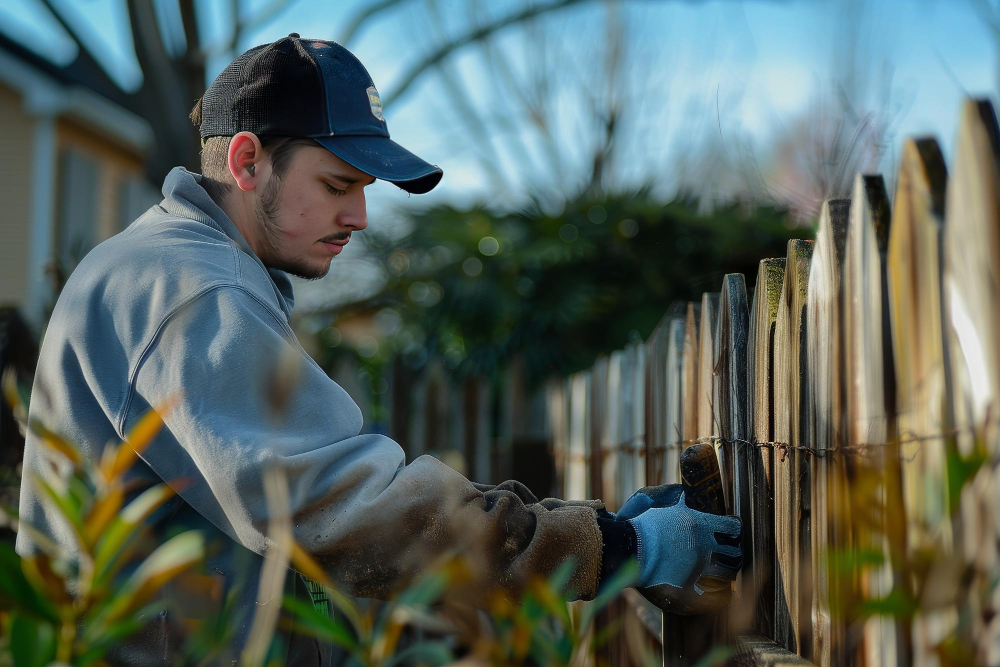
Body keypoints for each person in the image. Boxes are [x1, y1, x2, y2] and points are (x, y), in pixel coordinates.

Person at [15, 34, 742, 664]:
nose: (360, 215)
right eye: (338, 185)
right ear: (247, 161)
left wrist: (600, 531)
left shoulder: (173, 268)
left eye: (363, 189)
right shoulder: (197, 290)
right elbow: (348, 507)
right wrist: (617, 550)